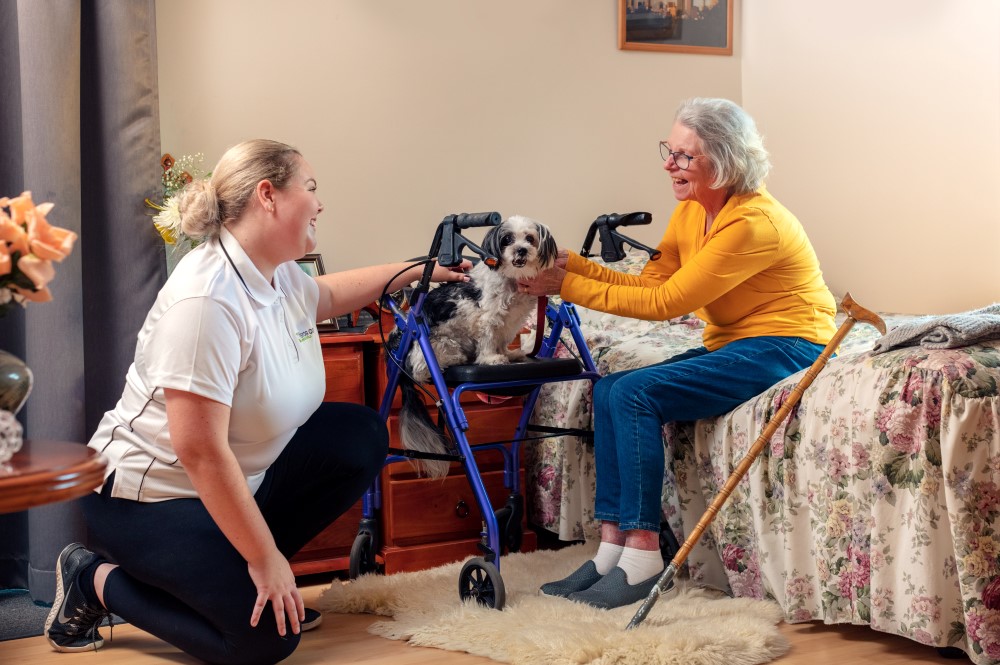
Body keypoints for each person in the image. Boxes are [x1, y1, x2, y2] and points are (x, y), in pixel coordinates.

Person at [44, 139, 471, 663]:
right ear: (268, 196)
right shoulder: (207, 301)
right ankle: (93, 578)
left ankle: (244, 582)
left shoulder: (276, 271)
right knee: (264, 640)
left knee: (357, 435)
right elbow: (199, 451)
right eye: (310, 189)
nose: (320, 203)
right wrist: (266, 558)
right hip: (146, 498)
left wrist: (415, 271)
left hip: (232, 482)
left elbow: (330, 295)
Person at [520, 98, 837, 610]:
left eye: (685, 156)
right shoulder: (692, 211)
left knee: (636, 395)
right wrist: (573, 264)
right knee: (608, 388)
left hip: (791, 344)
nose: (670, 163)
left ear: (725, 160)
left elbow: (667, 303)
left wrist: (568, 286)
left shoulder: (753, 224)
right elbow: (655, 279)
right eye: (670, 150)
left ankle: (644, 554)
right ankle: (611, 549)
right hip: (734, 342)